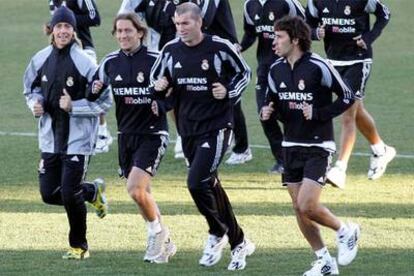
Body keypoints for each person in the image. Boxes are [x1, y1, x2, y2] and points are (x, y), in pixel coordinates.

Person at [150, 2, 255, 271]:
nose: (180, 29)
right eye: (176, 24)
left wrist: (229, 91)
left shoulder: (219, 47)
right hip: (188, 130)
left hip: (217, 126)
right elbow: (155, 81)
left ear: (199, 23)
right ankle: (239, 240)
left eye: (185, 23)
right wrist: (160, 87)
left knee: (196, 183)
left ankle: (216, 231)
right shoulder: (170, 49)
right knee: (211, 184)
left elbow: (244, 73)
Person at [261, 16, 360, 275]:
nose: (275, 41)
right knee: (298, 208)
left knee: (307, 205)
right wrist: (269, 112)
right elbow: (277, 105)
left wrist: (318, 113)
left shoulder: (318, 66)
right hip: (290, 145)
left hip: (318, 145)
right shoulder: (275, 70)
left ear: (295, 40)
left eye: (279, 37)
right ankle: (324, 261)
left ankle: (345, 231)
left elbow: (348, 96)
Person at [23, 6, 110, 260]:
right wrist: (35, 105)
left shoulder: (86, 63)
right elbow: (29, 89)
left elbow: (104, 100)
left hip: (78, 140)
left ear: (74, 31)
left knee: (70, 192)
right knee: (49, 194)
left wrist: (75, 107)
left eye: (68, 27)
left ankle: (79, 247)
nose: (63, 31)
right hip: (50, 138)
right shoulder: (39, 59)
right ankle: (92, 192)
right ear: (52, 30)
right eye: (59, 26)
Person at [90, 13, 176, 264]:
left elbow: (173, 93)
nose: (123, 35)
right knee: (143, 193)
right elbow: (93, 90)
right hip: (126, 136)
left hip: (152, 134)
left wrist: (160, 104)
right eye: (119, 31)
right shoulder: (109, 62)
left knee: (135, 189)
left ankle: (155, 234)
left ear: (140, 33)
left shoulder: (156, 60)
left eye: (128, 30)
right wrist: (93, 90)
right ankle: (166, 243)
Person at [306, 0, 395, 188]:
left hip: (358, 60)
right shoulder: (316, 1)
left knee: (347, 112)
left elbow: (384, 14)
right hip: (332, 61)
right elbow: (307, 23)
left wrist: (369, 37)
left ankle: (340, 168)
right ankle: (381, 149)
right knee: (356, 109)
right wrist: (315, 33)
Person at [241, 0, 306, 173]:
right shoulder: (250, 5)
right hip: (264, 70)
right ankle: (283, 160)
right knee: (264, 113)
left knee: (292, 114)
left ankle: (305, 156)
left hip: (289, 68)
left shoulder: (287, 3)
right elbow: (250, 33)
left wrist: (316, 34)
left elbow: (305, 27)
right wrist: (239, 46)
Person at [48, 0, 113, 154]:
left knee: (93, 89)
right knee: (68, 92)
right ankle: (75, 135)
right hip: (63, 51)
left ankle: (103, 132)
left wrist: (67, 21)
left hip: (85, 49)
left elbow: (95, 18)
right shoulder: (52, 1)